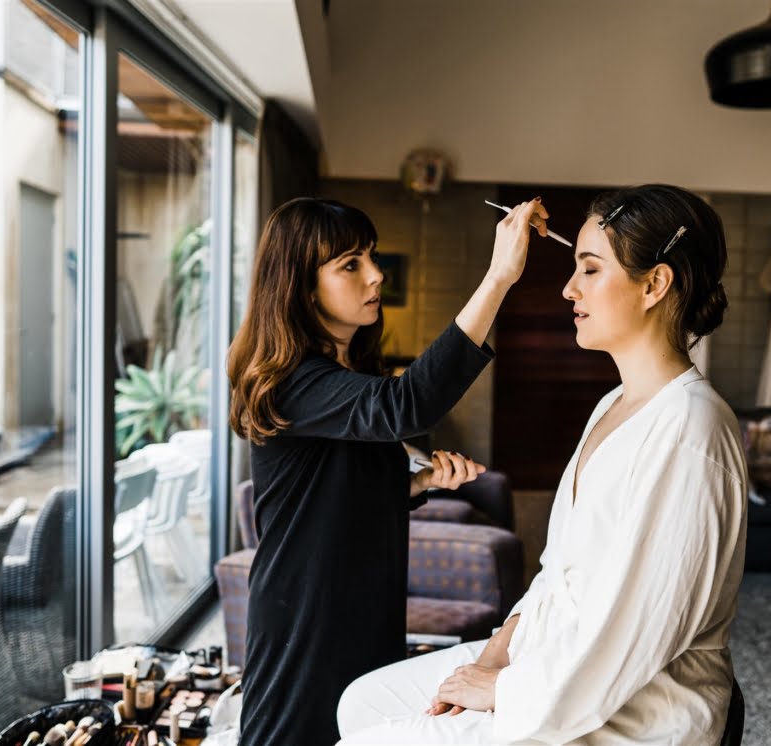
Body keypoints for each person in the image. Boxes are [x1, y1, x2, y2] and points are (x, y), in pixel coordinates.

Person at [337, 184, 748, 745]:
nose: (568, 288)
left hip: (625, 711)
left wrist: (503, 690)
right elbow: (559, 572)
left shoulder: (689, 432)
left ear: (655, 284)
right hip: (548, 657)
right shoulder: (613, 405)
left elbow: (632, 635)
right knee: (361, 703)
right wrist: (497, 650)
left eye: (590, 269)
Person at [227, 195, 550, 745]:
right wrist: (498, 276)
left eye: (370, 257)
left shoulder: (344, 372)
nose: (375, 275)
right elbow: (408, 406)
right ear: (303, 286)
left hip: (364, 599)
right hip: (307, 610)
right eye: (350, 264)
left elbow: (335, 491)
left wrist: (417, 483)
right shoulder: (291, 380)